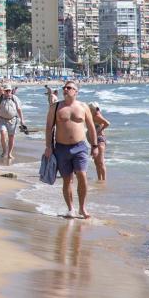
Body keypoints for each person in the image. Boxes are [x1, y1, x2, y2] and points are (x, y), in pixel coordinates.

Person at [43, 82, 99, 219]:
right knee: (67, 180)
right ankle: (71, 209)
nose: (66, 90)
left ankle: (82, 208)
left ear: (76, 92)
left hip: (80, 147)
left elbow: (91, 127)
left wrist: (95, 146)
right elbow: (49, 127)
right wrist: (48, 147)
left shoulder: (83, 107)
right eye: (64, 88)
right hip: (61, 148)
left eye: (69, 88)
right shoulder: (55, 107)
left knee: (82, 175)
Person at [0, 84, 24, 159]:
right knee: (3, 134)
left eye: (9, 90)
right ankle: (4, 151)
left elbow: (19, 109)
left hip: (13, 120)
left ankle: (9, 153)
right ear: (4, 91)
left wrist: (22, 120)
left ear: (11, 91)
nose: (8, 92)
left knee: (11, 137)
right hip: (2, 119)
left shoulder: (14, 98)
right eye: (6, 91)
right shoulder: (0, 98)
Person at [87, 103, 110, 181]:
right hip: (95, 141)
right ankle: (99, 179)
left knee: (100, 161)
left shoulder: (97, 116)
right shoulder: (93, 115)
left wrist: (98, 131)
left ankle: (103, 180)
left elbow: (107, 123)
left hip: (100, 140)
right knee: (96, 162)